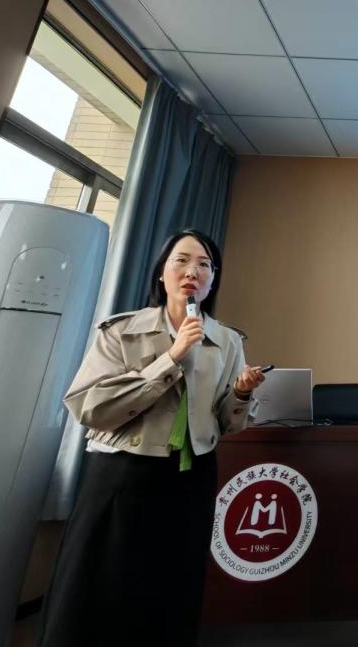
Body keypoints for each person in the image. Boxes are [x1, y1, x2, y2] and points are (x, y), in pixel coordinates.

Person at [40, 229, 266, 646]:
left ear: (212, 280)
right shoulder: (121, 330)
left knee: (173, 591)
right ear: (162, 272)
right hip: (123, 474)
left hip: (191, 477)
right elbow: (88, 407)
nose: (193, 271)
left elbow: (225, 423)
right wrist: (172, 357)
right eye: (182, 260)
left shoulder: (228, 340)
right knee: (99, 589)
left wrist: (240, 394)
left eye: (204, 265)